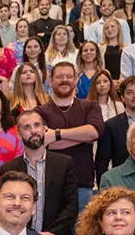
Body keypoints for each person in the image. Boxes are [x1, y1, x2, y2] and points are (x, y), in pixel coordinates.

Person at [0, 108, 80, 235]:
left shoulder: (65, 163)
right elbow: (9, 208)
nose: (33, 130)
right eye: (26, 127)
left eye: (37, 125)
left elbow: (71, 206)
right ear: (18, 134)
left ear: (44, 129)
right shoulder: (9, 169)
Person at [38, 62, 103, 211]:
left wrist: (57, 134)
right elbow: (45, 143)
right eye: (59, 76)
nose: (65, 80)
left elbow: (93, 132)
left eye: (69, 76)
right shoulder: (41, 111)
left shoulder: (90, 106)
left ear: (75, 80)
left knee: (83, 233)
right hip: (51, 186)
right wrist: (82, 138)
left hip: (83, 185)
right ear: (51, 81)